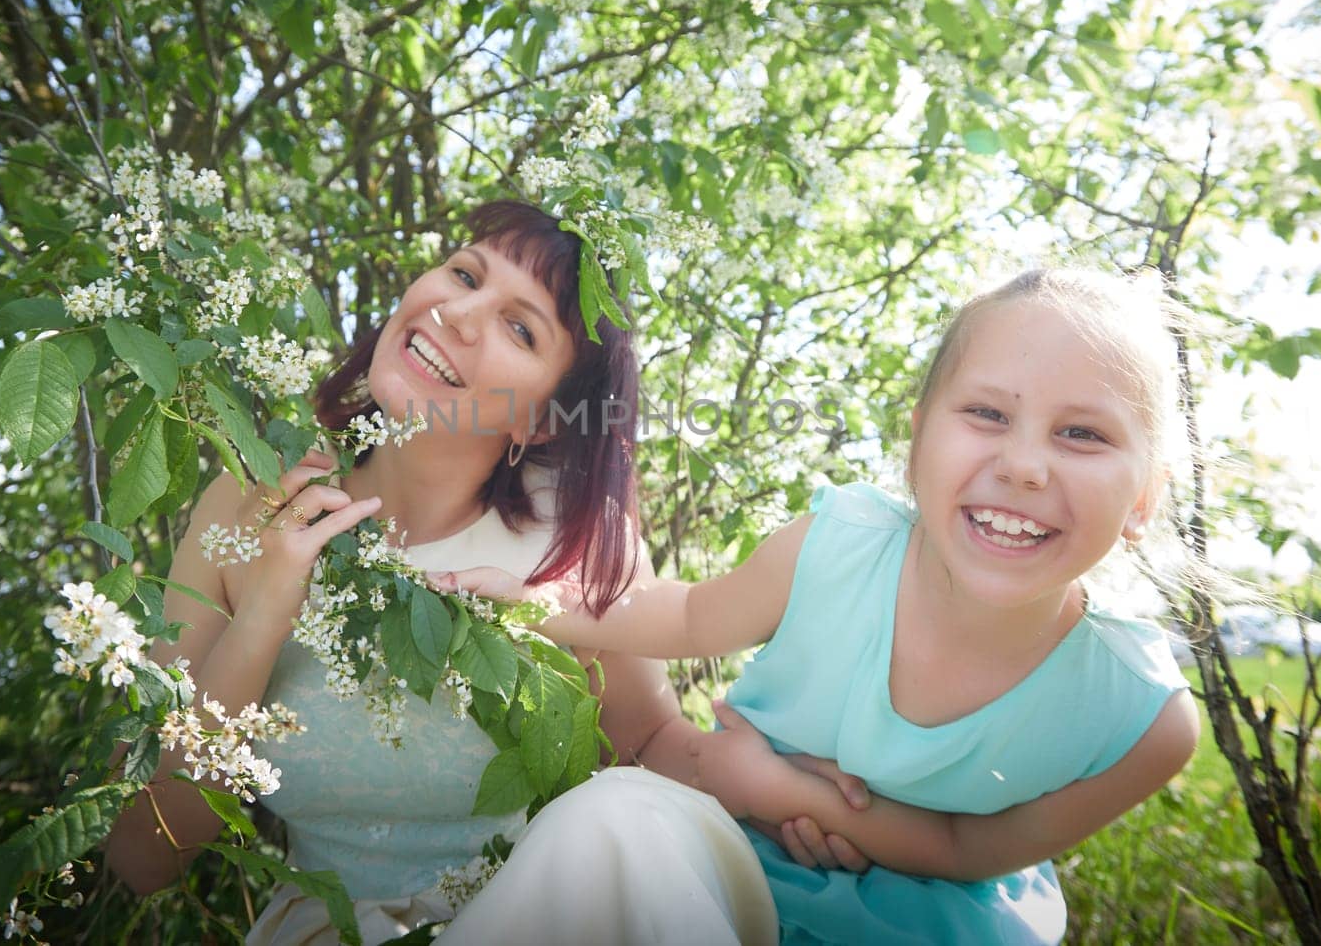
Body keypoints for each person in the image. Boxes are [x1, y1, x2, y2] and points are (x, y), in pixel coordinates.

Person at [105, 200, 871, 946]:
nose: (460, 315)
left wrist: (789, 795)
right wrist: (265, 614)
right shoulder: (250, 502)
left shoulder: (566, 537)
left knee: (620, 817)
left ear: (537, 421)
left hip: (544, 912)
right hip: (333, 926)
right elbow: (142, 855)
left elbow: (649, 746)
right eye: (466, 275)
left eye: (519, 327)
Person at [440, 267, 1203, 944]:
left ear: (1144, 498)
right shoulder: (839, 549)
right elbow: (687, 616)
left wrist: (780, 789)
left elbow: (975, 849)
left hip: (930, 924)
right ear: (918, 442)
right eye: (988, 415)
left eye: (1082, 433)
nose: (1025, 465)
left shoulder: (1140, 716)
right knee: (603, 829)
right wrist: (538, 603)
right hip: (728, 862)